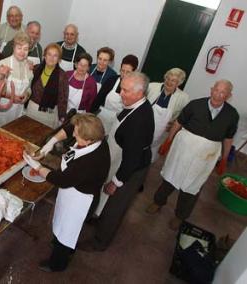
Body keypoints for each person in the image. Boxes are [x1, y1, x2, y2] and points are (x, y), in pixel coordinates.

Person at [146, 80, 239, 230]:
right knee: (171, 176)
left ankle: (180, 216)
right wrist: (168, 141)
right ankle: (158, 202)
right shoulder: (195, 105)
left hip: (206, 155)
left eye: (222, 92)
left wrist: (224, 158)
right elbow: (178, 122)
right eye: (216, 90)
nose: (218, 95)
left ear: (228, 96)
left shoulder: (231, 114)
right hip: (183, 149)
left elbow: (228, 138)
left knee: (193, 185)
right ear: (211, 89)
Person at [23, 113, 110, 272]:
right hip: (72, 192)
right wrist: (50, 144)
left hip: (80, 200)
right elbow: (71, 128)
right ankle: (62, 245)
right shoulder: (96, 137)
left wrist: (36, 166)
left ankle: (57, 264)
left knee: (67, 232)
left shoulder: (90, 161)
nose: (73, 134)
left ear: (89, 140)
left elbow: (61, 180)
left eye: (77, 135)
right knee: (63, 227)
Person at [79, 72, 155, 252]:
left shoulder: (140, 120)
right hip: (122, 158)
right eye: (121, 88)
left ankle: (100, 241)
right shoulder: (133, 104)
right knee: (106, 198)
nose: (121, 93)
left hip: (131, 169)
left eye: (126, 91)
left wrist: (117, 182)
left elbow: (132, 159)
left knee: (115, 206)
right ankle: (98, 217)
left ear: (140, 93)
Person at [147, 68, 189, 162]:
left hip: (161, 134)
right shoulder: (151, 87)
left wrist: (173, 125)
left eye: (173, 80)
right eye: (168, 79)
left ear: (179, 83)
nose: (169, 82)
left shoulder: (183, 98)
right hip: (143, 126)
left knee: (149, 158)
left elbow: (182, 118)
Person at [0, 32, 33, 126]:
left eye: (25, 49)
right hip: (2, 111)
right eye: (19, 48)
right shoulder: (3, 64)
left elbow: (29, 87)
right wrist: (11, 97)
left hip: (18, 111)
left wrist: (27, 95)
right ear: (13, 47)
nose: (22, 52)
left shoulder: (29, 67)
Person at [91, 54, 139, 134]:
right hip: (101, 118)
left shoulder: (136, 90)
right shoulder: (111, 80)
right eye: (122, 71)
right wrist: (91, 115)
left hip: (118, 124)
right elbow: (98, 100)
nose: (124, 74)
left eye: (128, 72)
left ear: (135, 71)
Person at [26, 43, 69, 128]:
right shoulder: (35, 69)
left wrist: (62, 117)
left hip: (49, 114)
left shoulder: (62, 75)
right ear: (44, 56)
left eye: (55, 55)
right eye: (49, 54)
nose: (51, 58)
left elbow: (63, 98)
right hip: (32, 110)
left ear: (59, 59)